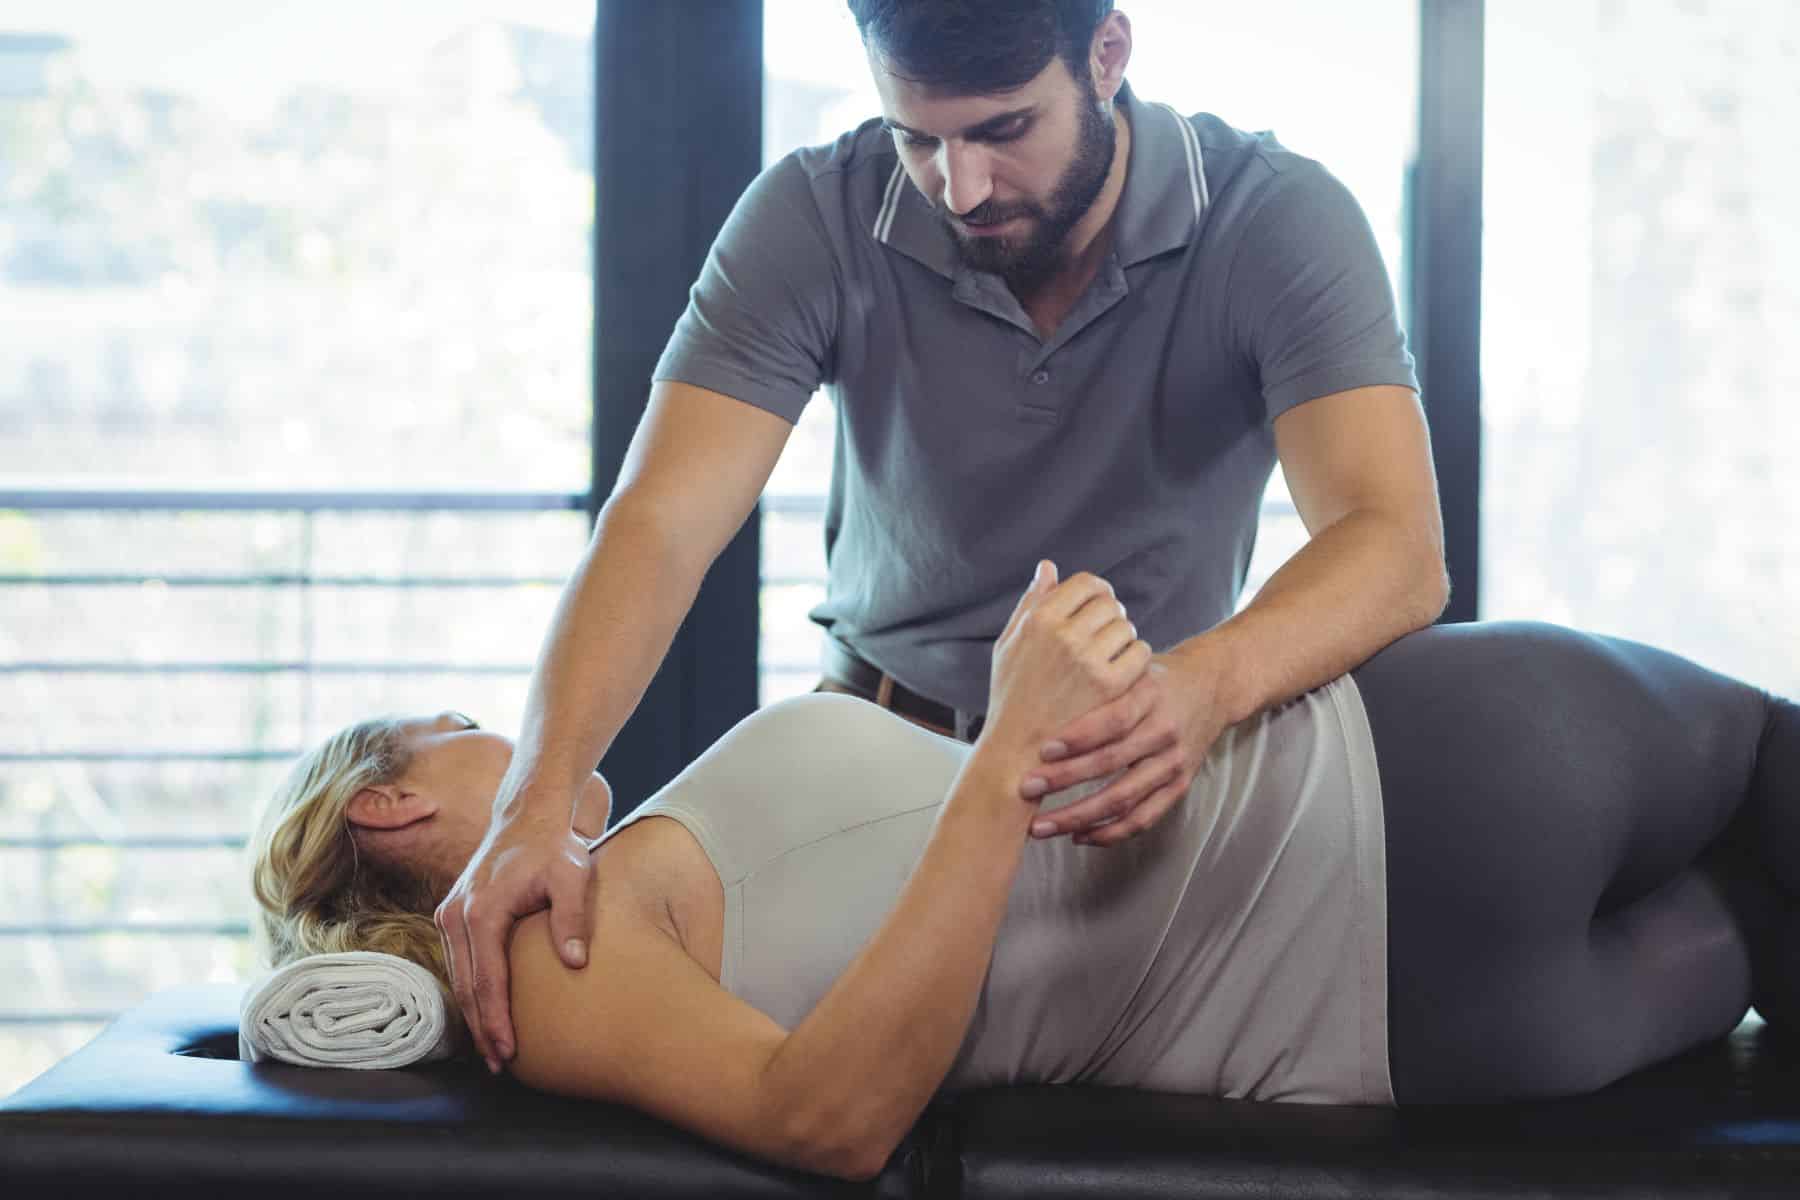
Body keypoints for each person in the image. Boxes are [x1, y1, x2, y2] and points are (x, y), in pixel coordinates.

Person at [438, 0, 1451, 1076]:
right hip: (874, 752)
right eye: (918, 137)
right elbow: (659, 522)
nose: (959, 189)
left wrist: (1203, 686)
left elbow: (1395, 543)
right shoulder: (814, 211)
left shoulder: (1276, 215)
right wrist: (534, 803)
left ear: (1107, 55)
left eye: (1004, 132)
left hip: (1140, 778)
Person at [253, 562, 1800, 1183]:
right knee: (1771, 775)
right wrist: (1007, 753)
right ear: (390, 811)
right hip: (1412, 790)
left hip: (1442, 1037)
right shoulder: (539, 945)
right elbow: (830, 1119)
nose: (500, 740)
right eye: (462, 733)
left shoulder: (625, 893)